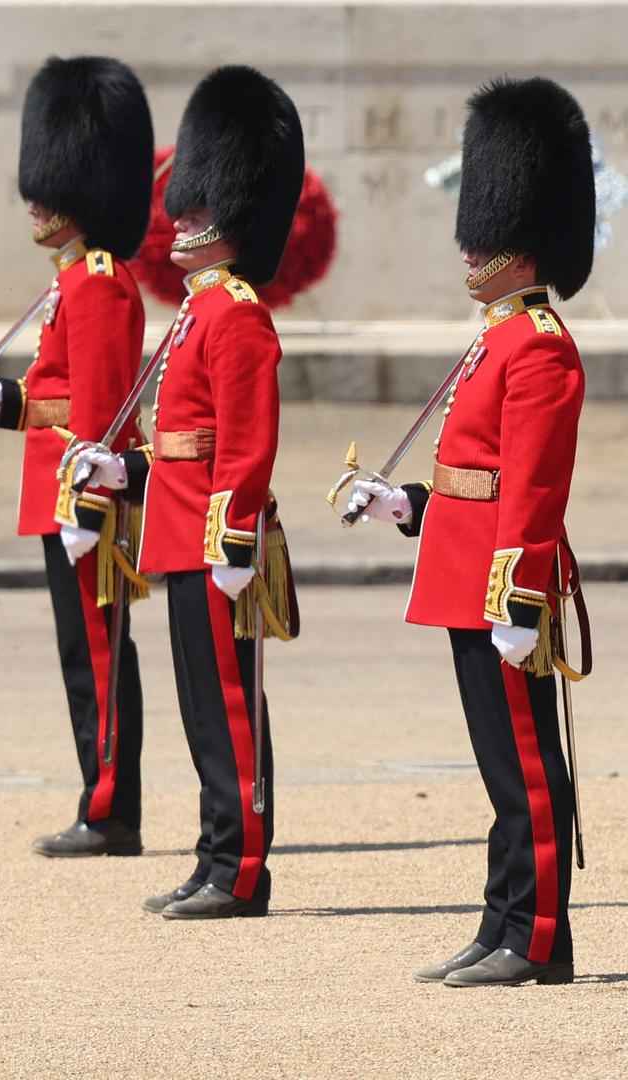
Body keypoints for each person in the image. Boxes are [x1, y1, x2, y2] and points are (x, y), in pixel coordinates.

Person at [343, 77, 591, 987]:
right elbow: (471, 473)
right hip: (463, 572)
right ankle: (502, 922)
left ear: (524, 249)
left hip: (502, 586)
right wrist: (404, 502)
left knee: (528, 768)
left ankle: (539, 939)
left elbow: (532, 485)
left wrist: (522, 594)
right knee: (500, 771)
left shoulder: (539, 345)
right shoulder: (495, 338)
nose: (472, 248)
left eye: (490, 235)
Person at [67, 65, 304, 918]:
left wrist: (235, 536)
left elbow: (246, 443)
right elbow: (181, 443)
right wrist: (118, 471)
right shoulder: (200, 311)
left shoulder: (237, 313)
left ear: (228, 218)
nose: (181, 219)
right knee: (202, 710)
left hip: (216, 542)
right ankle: (215, 859)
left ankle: (240, 869)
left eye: (198, 209)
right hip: (179, 530)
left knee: (230, 708)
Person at [0, 56, 153, 857]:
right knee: (82, 652)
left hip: (79, 498)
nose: (36, 200)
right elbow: (57, 398)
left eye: (50, 185)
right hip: (56, 486)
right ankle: (102, 801)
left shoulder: (98, 282)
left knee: (96, 653)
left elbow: (99, 411)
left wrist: (87, 508)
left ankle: (109, 810)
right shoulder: (73, 282)